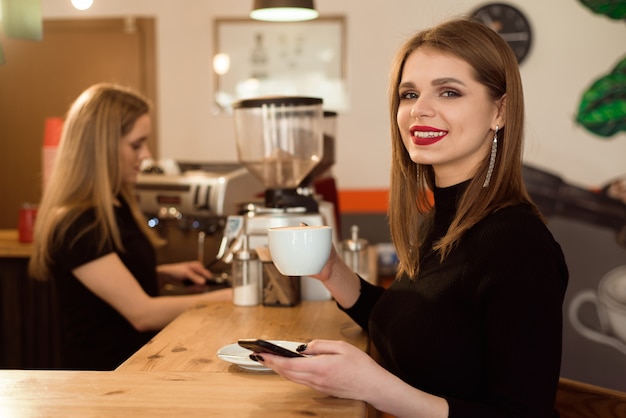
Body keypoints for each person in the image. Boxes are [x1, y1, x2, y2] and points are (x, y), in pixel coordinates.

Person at [248, 18, 569, 417]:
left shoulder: (517, 244)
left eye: (449, 92)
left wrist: (374, 386)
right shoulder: (444, 218)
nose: (420, 110)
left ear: (499, 111)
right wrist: (331, 270)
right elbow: (418, 325)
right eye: (409, 94)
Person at [28, 83, 232, 370]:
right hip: (103, 377)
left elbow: (108, 277)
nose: (146, 155)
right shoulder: (78, 224)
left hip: (135, 364)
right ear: (103, 147)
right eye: (137, 144)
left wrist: (161, 274)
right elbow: (142, 313)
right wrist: (226, 298)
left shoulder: (116, 204)